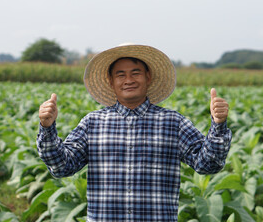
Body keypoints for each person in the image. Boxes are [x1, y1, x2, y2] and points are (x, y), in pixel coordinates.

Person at [37, 44, 232, 222]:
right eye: (120, 75)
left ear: (148, 77)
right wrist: (47, 128)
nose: (128, 80)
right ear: (111, 81)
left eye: (135, 73)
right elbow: (62, 166)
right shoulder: (92, 123)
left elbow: (208, 165)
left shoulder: (173, 122)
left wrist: (218, 124)